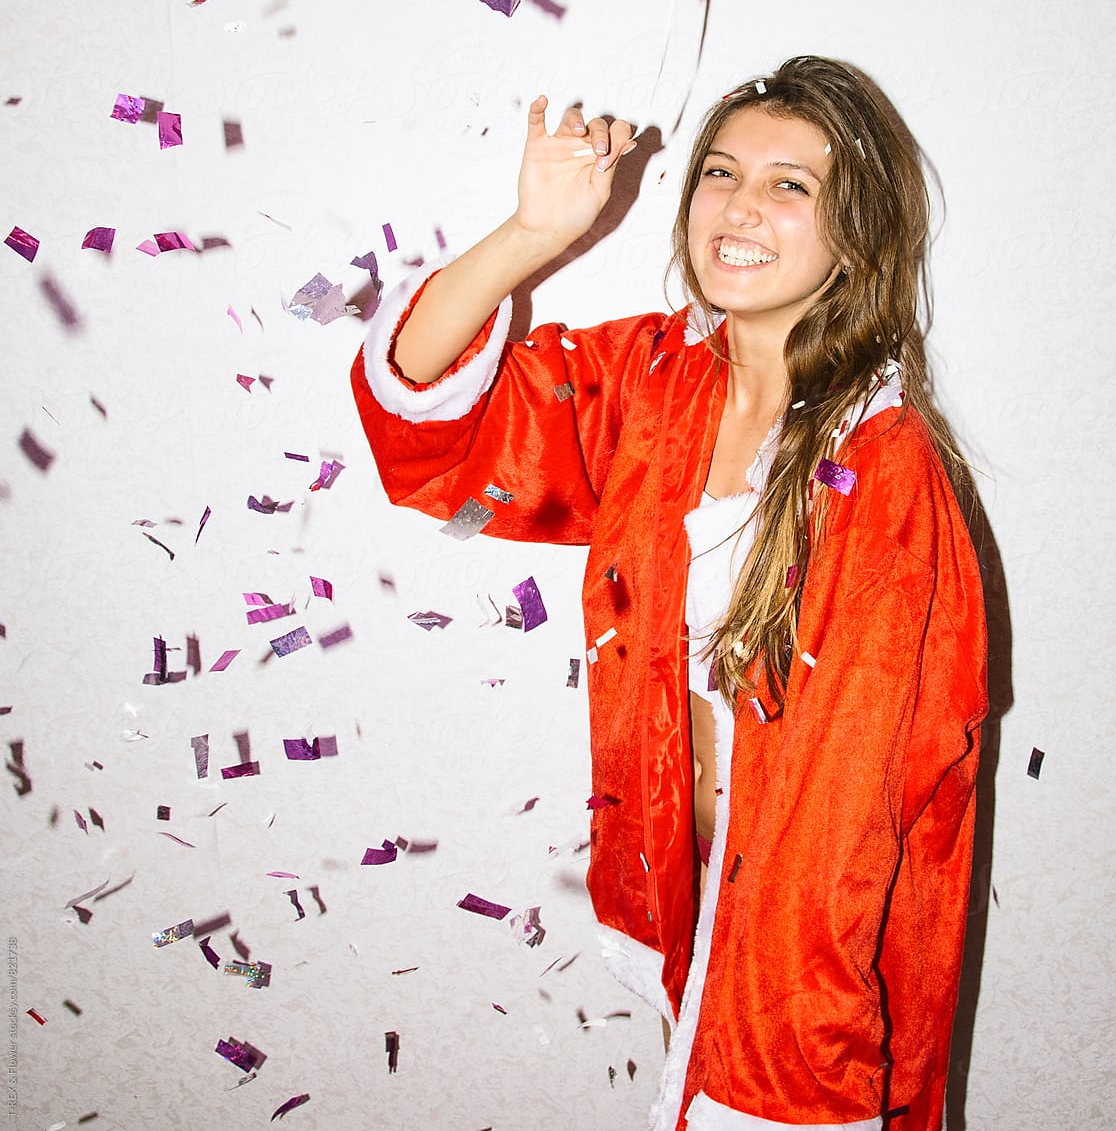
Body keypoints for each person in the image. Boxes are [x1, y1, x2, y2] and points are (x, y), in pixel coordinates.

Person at [351, 56, 988, 1131]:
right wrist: (531, 236)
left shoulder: (883, 474)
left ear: (859, 232)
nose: (740, 207)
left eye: (792, 184)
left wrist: (778, 1067)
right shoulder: (657, 382)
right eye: (722, 172)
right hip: (685, 905)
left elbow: (847, 820)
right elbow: (427, 421)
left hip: (794, 976)